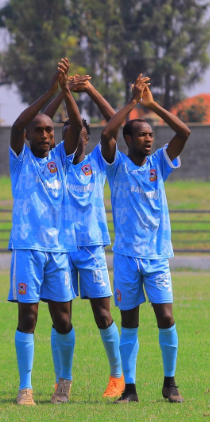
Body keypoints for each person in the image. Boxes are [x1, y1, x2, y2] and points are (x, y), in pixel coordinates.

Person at [99, 74, 190, 404]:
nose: (149, 139)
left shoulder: (159, 165)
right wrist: (133, 103)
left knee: (165, 316)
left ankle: (170, 383)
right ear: (129, 139)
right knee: (130, 321)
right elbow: (107, 132)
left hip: (156, 256)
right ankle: (131, 389)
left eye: (151, 134)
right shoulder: (117, 165)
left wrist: (152, 106)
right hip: (125, 256)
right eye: (142, 134)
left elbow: (184, 132)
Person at [42, 75, 124, 398]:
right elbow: (44, 123)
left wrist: (88, 89)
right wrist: (60, 91)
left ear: (87, 139)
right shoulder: (56, 163)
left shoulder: (98, 163)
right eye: (64, 137)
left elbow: (113, 125)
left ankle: (117, 377)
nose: (70, 141)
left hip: (90, 248)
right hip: (60, 248)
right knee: (61, 318)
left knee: (103, 314)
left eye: (76, 136)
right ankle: (64, 380)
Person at [7, 59, 83, 406]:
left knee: (63, 319)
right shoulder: (20, 158)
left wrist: (66, 93)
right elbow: (19, 122)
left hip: (59, 250)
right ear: (28, 137)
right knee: (29, 316)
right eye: (39, 131)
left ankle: (63, 382)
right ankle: (26, 388)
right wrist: (49, 91)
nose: (45, 135)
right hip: (27, 248)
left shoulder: (62, 161)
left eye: (50, 131)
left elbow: (78, 125)